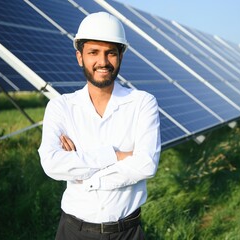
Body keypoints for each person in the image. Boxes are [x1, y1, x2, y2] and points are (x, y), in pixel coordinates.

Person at [38, 12, 161, 240]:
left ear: (121, 55)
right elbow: (52, 164)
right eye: (93, 52)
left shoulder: (142, 103)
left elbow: (145, 165)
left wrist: (84, 173)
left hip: (127, 233)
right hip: (73, 231)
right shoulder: (61, 107)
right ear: (79, 57)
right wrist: (116, 156)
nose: (102, 62)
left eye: (110, 53)